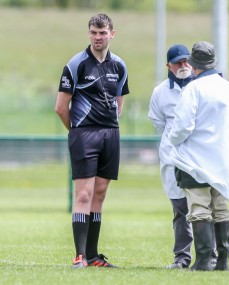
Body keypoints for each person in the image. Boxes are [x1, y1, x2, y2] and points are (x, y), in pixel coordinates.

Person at [169, 41, 229, 271]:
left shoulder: (193, 90)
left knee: (199, 208)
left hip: (196, 160)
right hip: (224, 159)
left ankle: (205, 259)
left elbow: (182, 127)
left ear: (195, 66)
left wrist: (174, 141)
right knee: (221, 207)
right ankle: (223, 261)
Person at [55, 13, 129, 269]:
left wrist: (110, 125)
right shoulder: (76, 64)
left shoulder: (119, 65)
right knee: (84, 195)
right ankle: (79, 257)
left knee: (99, 193)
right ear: (89, 34)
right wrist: (75, 131)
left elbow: (119, 103)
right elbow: (61, 108)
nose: (98, 37)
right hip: (84, 134)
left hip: (110, 134)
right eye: (94, 33)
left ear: (112, 34)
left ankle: (94, 255)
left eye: (103, 33)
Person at [148, 44, 195, 269]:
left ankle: (211, 256)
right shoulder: (160, 92)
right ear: (169, 66)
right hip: (172, 158)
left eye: (186, 61)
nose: (183, 65)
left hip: (199, 157)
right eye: (178, 62)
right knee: (180, 210)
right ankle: (182, 258)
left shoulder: (200, 87)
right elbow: (158, 122)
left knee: (207, 208)